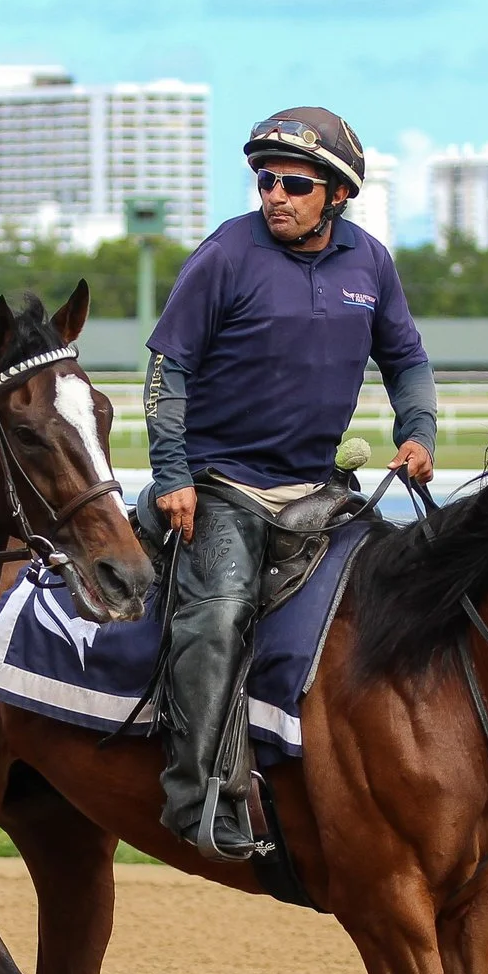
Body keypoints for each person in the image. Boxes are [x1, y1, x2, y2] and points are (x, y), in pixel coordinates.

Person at [142, 107, 438, 861]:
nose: (275, 195)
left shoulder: (371, 263)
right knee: (218, 617)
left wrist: (418, 432)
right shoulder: (226, 253)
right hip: (220, 486)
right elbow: (167, 370)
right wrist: (172, 474)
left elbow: (406, 360)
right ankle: (197, 798)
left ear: (337, 195)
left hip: (318, 491)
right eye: (265, 181)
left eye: (294, 185)